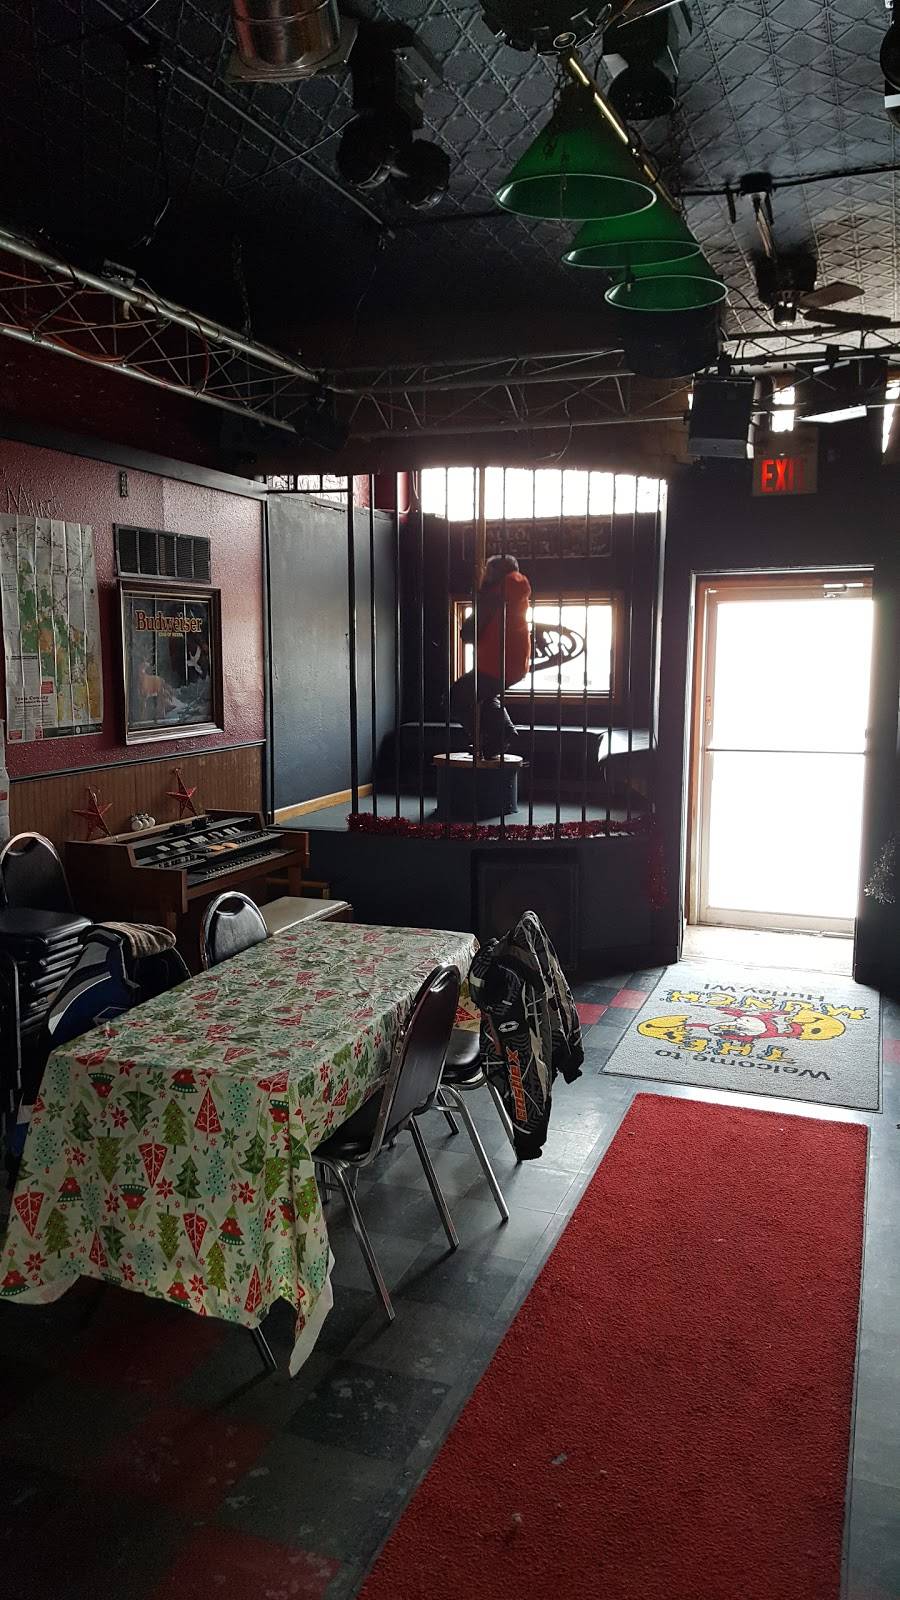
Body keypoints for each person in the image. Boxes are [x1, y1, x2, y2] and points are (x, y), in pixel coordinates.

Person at [450, 554, 532, 758]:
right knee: (485, 695)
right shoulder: (516, 591)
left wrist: (479, 596)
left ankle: (491, 739)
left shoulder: (495, 594)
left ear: (495, 572)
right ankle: (504, 732)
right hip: (513, 665)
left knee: (454, 699)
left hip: (495, 664)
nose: (483, 574)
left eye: (486, 570)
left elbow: (469, 633)